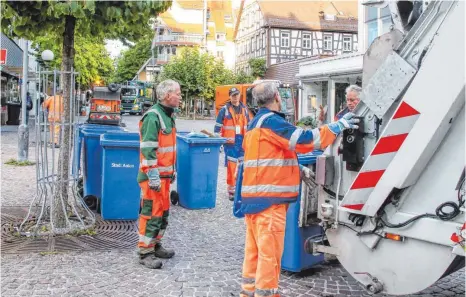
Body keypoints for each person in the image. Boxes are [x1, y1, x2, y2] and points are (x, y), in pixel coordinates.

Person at [239, 82, 359, 297]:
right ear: (276, 96)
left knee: (254, 253)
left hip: (253, 201)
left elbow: (266, 157)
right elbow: (305, 140)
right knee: (269, 256)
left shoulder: (254, 123)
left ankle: (248, 292)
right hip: (270, 203)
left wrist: (297, 167)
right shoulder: (273, 122)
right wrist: (337, 126)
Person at [137, 79, 181, 269]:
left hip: (163, 178)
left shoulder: (167, 115)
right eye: (177, 93)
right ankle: (145, 251)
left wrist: (171, 171)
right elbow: (148, 150)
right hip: (153, 179)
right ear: (166, 95)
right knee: (151, 214)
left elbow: (168, 149)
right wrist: (153, 174)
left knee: (162, 214)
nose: (180, 96)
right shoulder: (153, 117)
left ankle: (155, 245)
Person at [214, 87, 252, 201]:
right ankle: (231, 191)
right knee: (232, 167)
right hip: (230, 143)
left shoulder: (245, 109)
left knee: (243, 166)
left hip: (243, 141)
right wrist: (218, 142)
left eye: (237, 95)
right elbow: (217, 128)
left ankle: (241, 189)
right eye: (233, 95)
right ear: (230, 96)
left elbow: (249, 126)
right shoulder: (224, 110)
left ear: (240, 95)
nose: (235, 97)